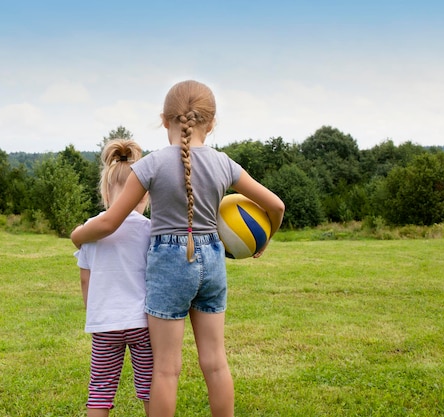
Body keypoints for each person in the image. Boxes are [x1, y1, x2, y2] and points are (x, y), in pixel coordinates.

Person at [72, 80, 285, 417]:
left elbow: (110, 222)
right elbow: (277, 206)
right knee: (215, 363)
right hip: (213, 261)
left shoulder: (150, 166)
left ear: (164, 119)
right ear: (211, 123)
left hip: (170, 265)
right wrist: (264, 240)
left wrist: (78, 235)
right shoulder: (224, 164)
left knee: (166, 370)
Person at [75, 139, 152, 417]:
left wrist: (93, 310)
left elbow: (86, 279)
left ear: (106, 193)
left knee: (101, 388)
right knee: (150, 385)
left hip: (105, 323)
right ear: (144, 195)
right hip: (143, 322)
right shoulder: (148, 230)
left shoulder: (89, 231)